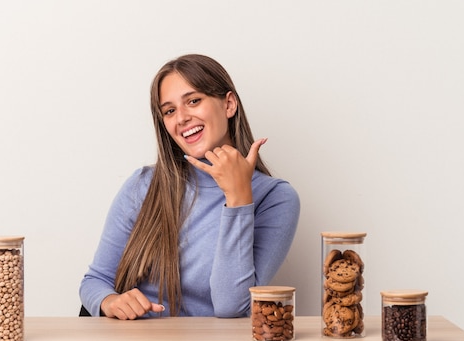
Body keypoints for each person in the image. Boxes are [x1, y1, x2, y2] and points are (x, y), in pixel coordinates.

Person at [79, 54, 300, 319]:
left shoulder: (275, 198)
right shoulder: (143, 185)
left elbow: (232, 306)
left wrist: (238, 198)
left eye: (193, 101)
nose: (181, 118)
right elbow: (95, 280)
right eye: (170, 111)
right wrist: (110, 301)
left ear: (229, 104)